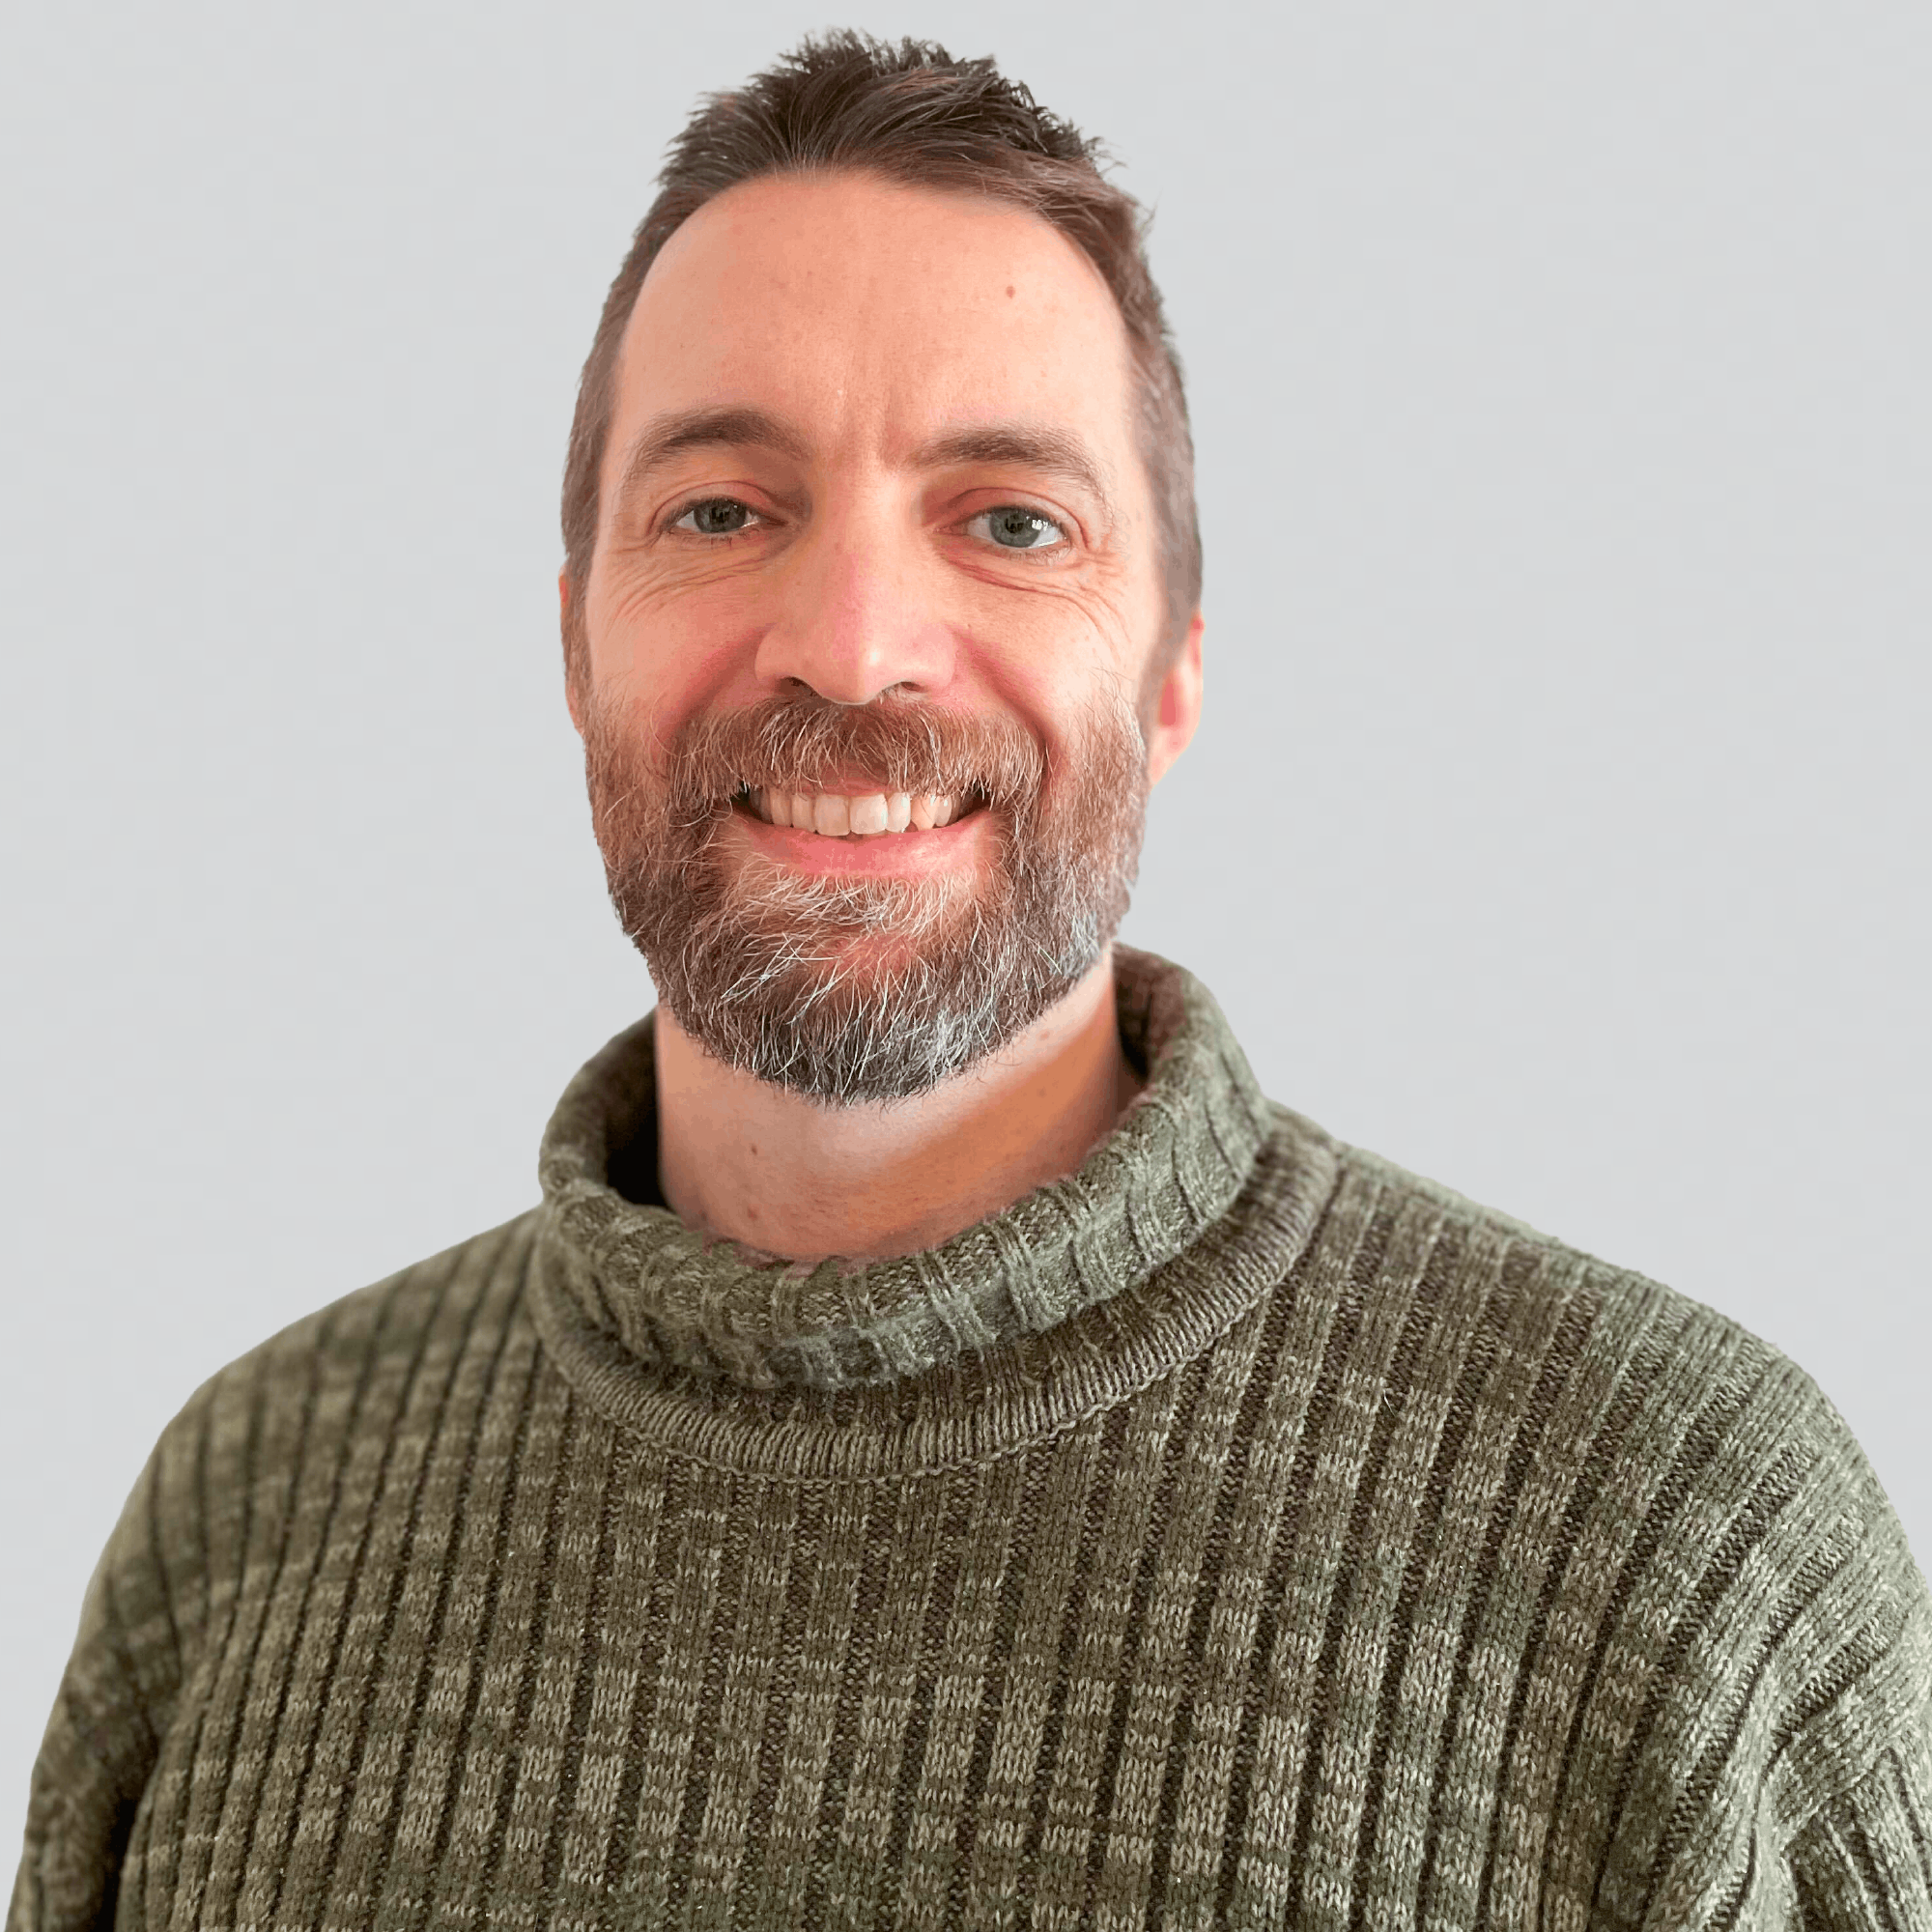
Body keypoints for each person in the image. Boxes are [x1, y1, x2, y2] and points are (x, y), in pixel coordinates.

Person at [12, 33, 1928, 1932]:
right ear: (577, 648)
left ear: (1172, 675)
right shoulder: (242, 1512)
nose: (854, 647)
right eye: (719, 510)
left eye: (1012, 521)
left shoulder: (1680, 1542)